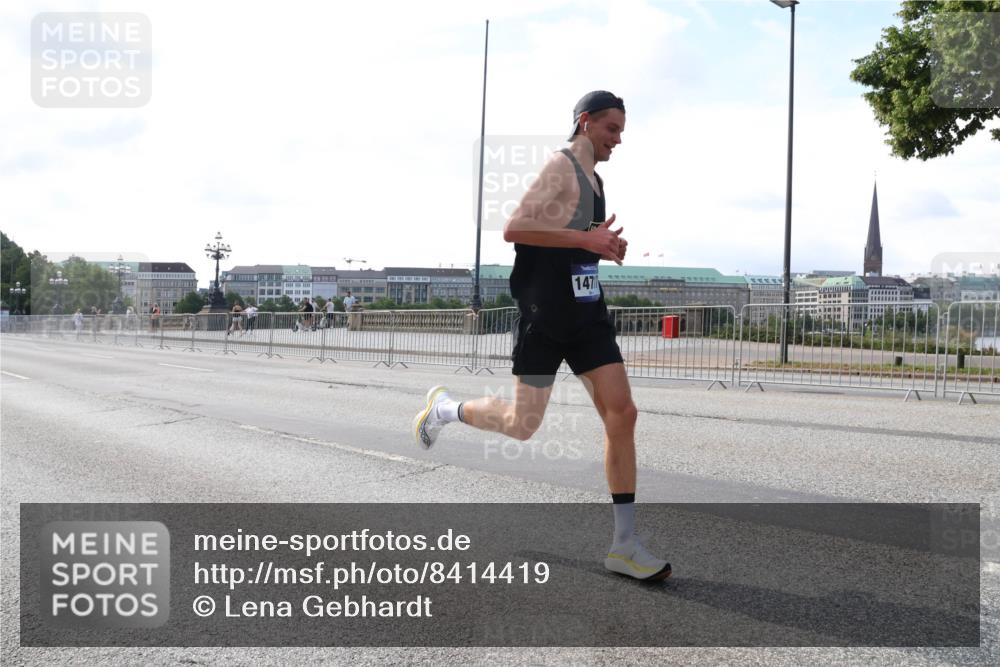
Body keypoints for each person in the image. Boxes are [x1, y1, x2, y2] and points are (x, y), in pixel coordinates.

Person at [413, 91, 670, 582]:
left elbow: (572, 243)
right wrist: (586, 238)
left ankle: (624, 544)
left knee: (624, 412)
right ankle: (445, 409)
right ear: (585, 121)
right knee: (520, 423)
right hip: (544, 317)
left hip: (587, 314)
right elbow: (515, 227)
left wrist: (602, 246)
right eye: (612, 129)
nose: (618, 140)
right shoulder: (561, 167)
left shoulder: (596, 180)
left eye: (622, 131)